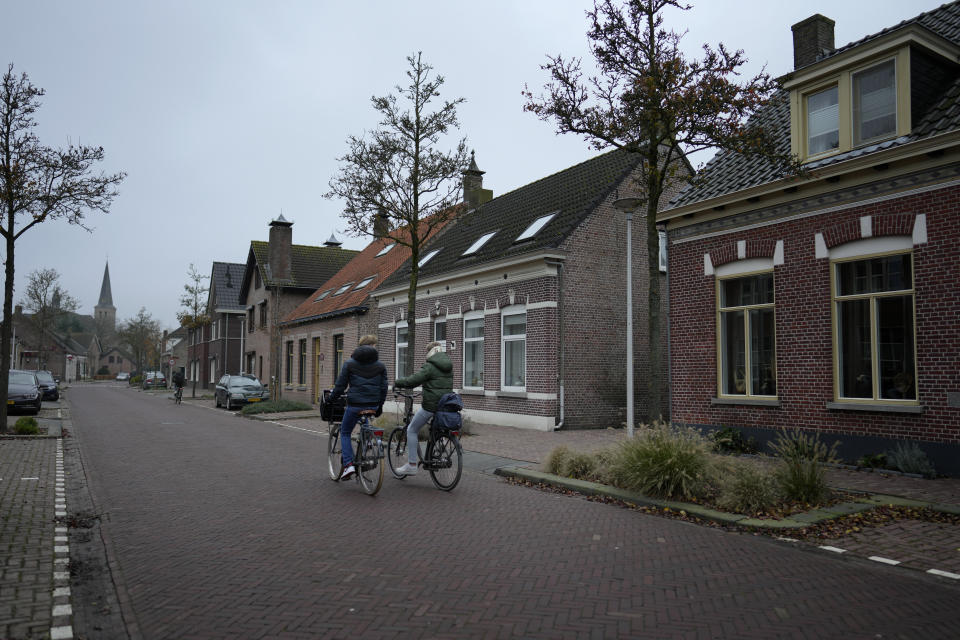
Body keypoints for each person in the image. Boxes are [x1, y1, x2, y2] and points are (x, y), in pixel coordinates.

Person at [329, 335, 388, 481]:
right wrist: (380, 405)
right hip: (373, 404)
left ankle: (348, 465)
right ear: (372, 347)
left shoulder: (349, 363)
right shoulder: (380, 366)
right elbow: (383, 388)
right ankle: (368, 441)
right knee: (365, 420)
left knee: (345, 431)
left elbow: (340, 386)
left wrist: (332, 399)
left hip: (355, 405)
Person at [392, 341, 453, 476]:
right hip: (445, 404)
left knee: (412, 429)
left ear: (430, 352)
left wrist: (397, 382)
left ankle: (412, 465)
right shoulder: (449, 365)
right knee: (435, 428)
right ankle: (438, 445)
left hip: (431, 405)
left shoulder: (430, 366)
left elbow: (413, 381)